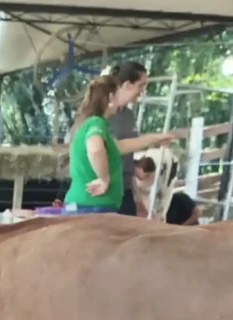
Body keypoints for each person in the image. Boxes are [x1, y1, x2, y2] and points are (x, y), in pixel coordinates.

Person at [107, 62, 181, 216]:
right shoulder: (104, 115)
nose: (142, 91)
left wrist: (137, 196)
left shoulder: (128, 115)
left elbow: (128, 152)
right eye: (140, 85)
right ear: (127, 85)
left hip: (125, 187)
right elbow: (114, 148)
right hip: (105, 188)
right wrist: (153, 138)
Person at [61, 76, 126, 213]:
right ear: (111, 97)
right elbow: (95, 149)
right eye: (118, 95)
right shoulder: (96, 122)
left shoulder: (85, 123)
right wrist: (104, 179)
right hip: (93, 206)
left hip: (83, 204)